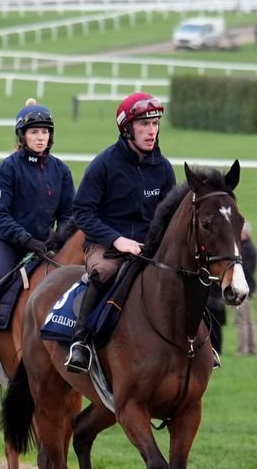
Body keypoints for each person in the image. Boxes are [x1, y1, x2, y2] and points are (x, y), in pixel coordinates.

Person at [63, 93, 177, 375]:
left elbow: (170, 217)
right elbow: (83, 213)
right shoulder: (103, 164)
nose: (152, 131)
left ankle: (199, 343)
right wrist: (117, 239)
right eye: (144, 125)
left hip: (149, 246)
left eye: (155, 124)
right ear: (127, 129)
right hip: (106, 245)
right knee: (102, 272)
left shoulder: (163, 169)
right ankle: (81, 342)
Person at [0, 101, 77, 361]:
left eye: (45, 132)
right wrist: (25, 240)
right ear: (22, 136)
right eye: (34, 132)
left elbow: (68, 214)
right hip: (9, 245)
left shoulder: (61, 171)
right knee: (1, 276)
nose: (41, 137)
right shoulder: (7, 169)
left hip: (46, 245)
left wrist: (59, 240)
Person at [233, 222, 257, 356]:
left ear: (245, 233)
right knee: (249, 321)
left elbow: (245, 270)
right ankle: (252, 348)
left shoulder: (245, 249)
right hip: (249, 288)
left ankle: (243, 350)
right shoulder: (249, 247)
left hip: (243, 289)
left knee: (242, 321)